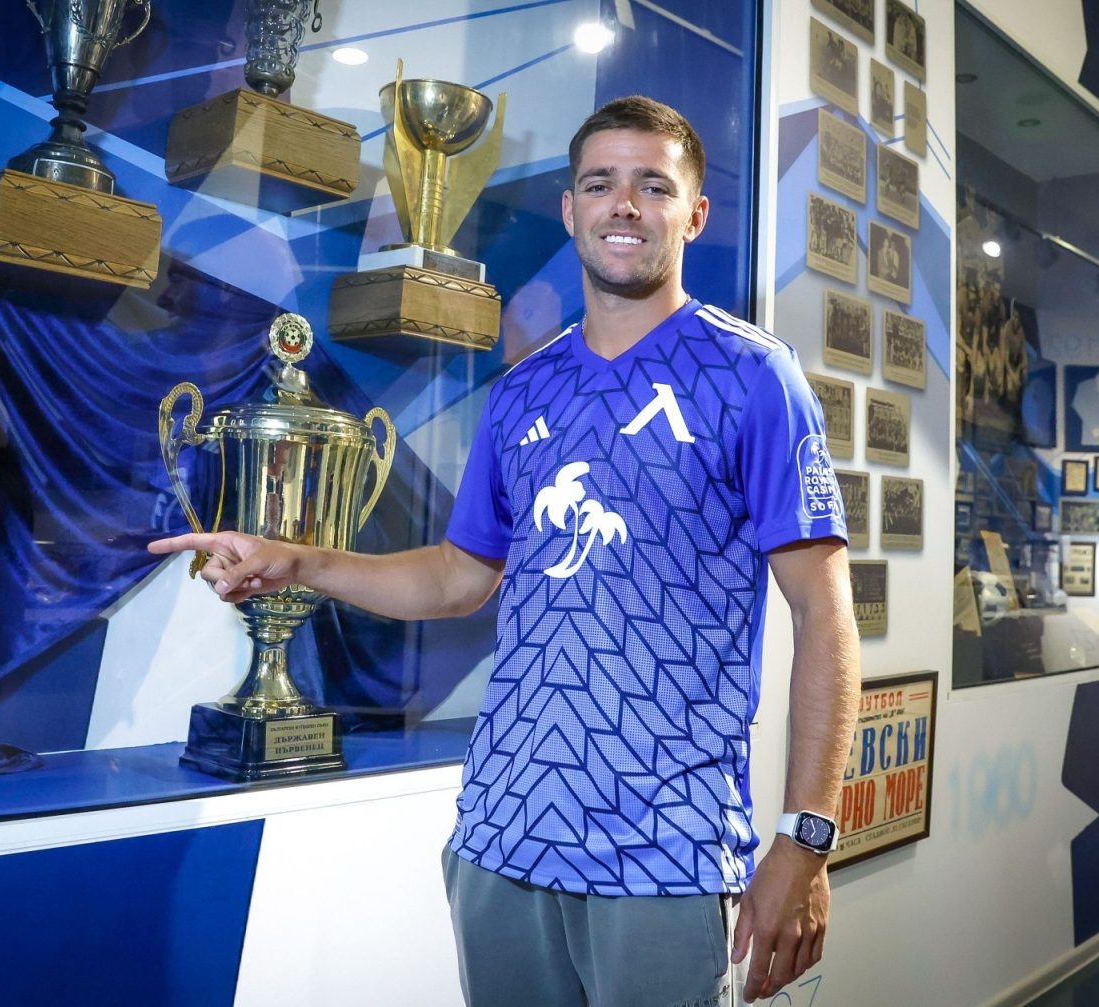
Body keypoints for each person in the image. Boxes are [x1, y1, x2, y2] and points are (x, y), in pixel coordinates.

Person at [150, 96, 861, 1007]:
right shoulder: (523, 391)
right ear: (570, 209)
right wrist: (300, 561)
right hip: (501, 837)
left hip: (664, 852)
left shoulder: (754, 377)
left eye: (654, 185)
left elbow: (823, 613)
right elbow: (458, 577)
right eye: (600, 184)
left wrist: (806, 837)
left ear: (695, 214)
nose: (624, 205)